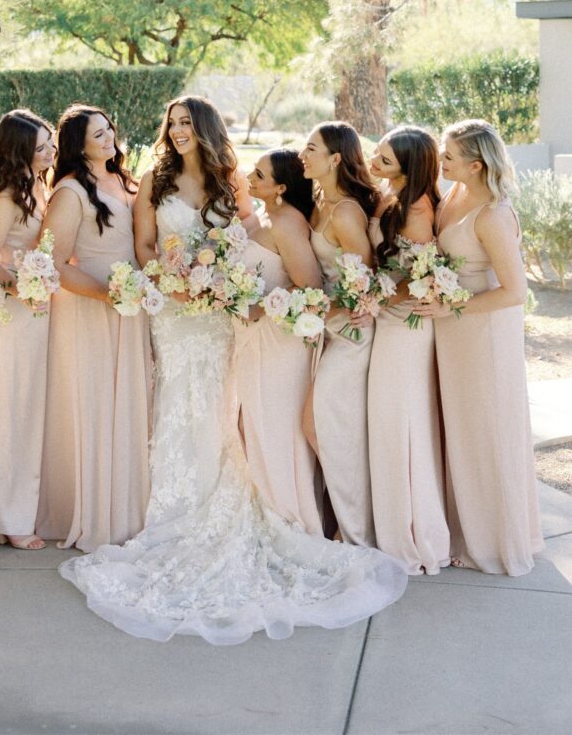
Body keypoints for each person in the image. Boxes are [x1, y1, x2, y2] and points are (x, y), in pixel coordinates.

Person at [59, 96, 407, 645]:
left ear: (204, 129)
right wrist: (175, 282)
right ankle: (175, 508)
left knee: (229, 409)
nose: (176, 131)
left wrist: (223, 283)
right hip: (175, 313)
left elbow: (255, 237)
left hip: (226, 315)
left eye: (185, 123)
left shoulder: (230, 181)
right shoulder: (155, 180)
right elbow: (147, 246)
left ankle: (246, 501)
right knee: (179, 403)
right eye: (170, 123)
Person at [413, 119, 542, 575]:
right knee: (460, 427)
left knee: (485, 429)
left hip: (481, 331)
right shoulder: (453, 194)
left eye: (448, 156)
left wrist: (453, 308)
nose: (440, 162)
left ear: (474, 164)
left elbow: (514, 291)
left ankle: (492, 540)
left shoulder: (492, 215)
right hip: (454, 328)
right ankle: (461, 526)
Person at [36, 104, 153, 551]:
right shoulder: (70, 192)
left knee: (127, 405)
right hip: (91, 308)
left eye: (110, 130)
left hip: (131, 305)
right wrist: (109, 294)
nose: (109, 139)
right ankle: (93, 510)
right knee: (97, 405)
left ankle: (127, 506)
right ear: (77, 145)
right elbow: (53, 266)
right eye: (97, 134)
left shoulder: (125, 181)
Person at [367, 126, 450, 575]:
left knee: (399, 422)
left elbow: (415, 277)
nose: (375, 164)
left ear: (409, 167)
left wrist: (374, 295)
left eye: (384, 160)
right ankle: (390, 525)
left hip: (406, 326)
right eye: (377, 155)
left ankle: (410, 534)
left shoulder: (418, 208)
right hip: (385, 319)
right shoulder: (390, 194)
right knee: (387, 421)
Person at [0, 110, 54, 551]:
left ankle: (21, 507)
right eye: (40, 146)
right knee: (13, 412)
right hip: (14, 313)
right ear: (19, 151)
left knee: (31, 410)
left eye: (49, 144)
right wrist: (21, 287)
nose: (49, 152)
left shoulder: (37, 186)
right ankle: (10, 518)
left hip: (38, 309)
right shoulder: (7, 195)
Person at [300, 122, 379, 546]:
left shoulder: (346, 212)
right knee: (326, 427)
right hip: (326, 329)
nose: (303, 154)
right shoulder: (317, 202)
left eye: (311, 148)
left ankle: (353, 530)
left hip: (351, 333)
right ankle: (335, 518)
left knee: (319, 425)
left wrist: (315, 308)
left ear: (335, 159)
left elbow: (361, 283)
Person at [237, 149, 323, 533]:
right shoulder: (265, 218)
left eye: (259, 174)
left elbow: (311, 289)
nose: (249, 177)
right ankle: (261, 509)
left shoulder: (287, 223)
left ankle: (287, 515)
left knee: (275, 426)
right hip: (251, 338)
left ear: (281, 188)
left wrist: (261, 309)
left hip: (278, 340)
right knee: (253, 423)